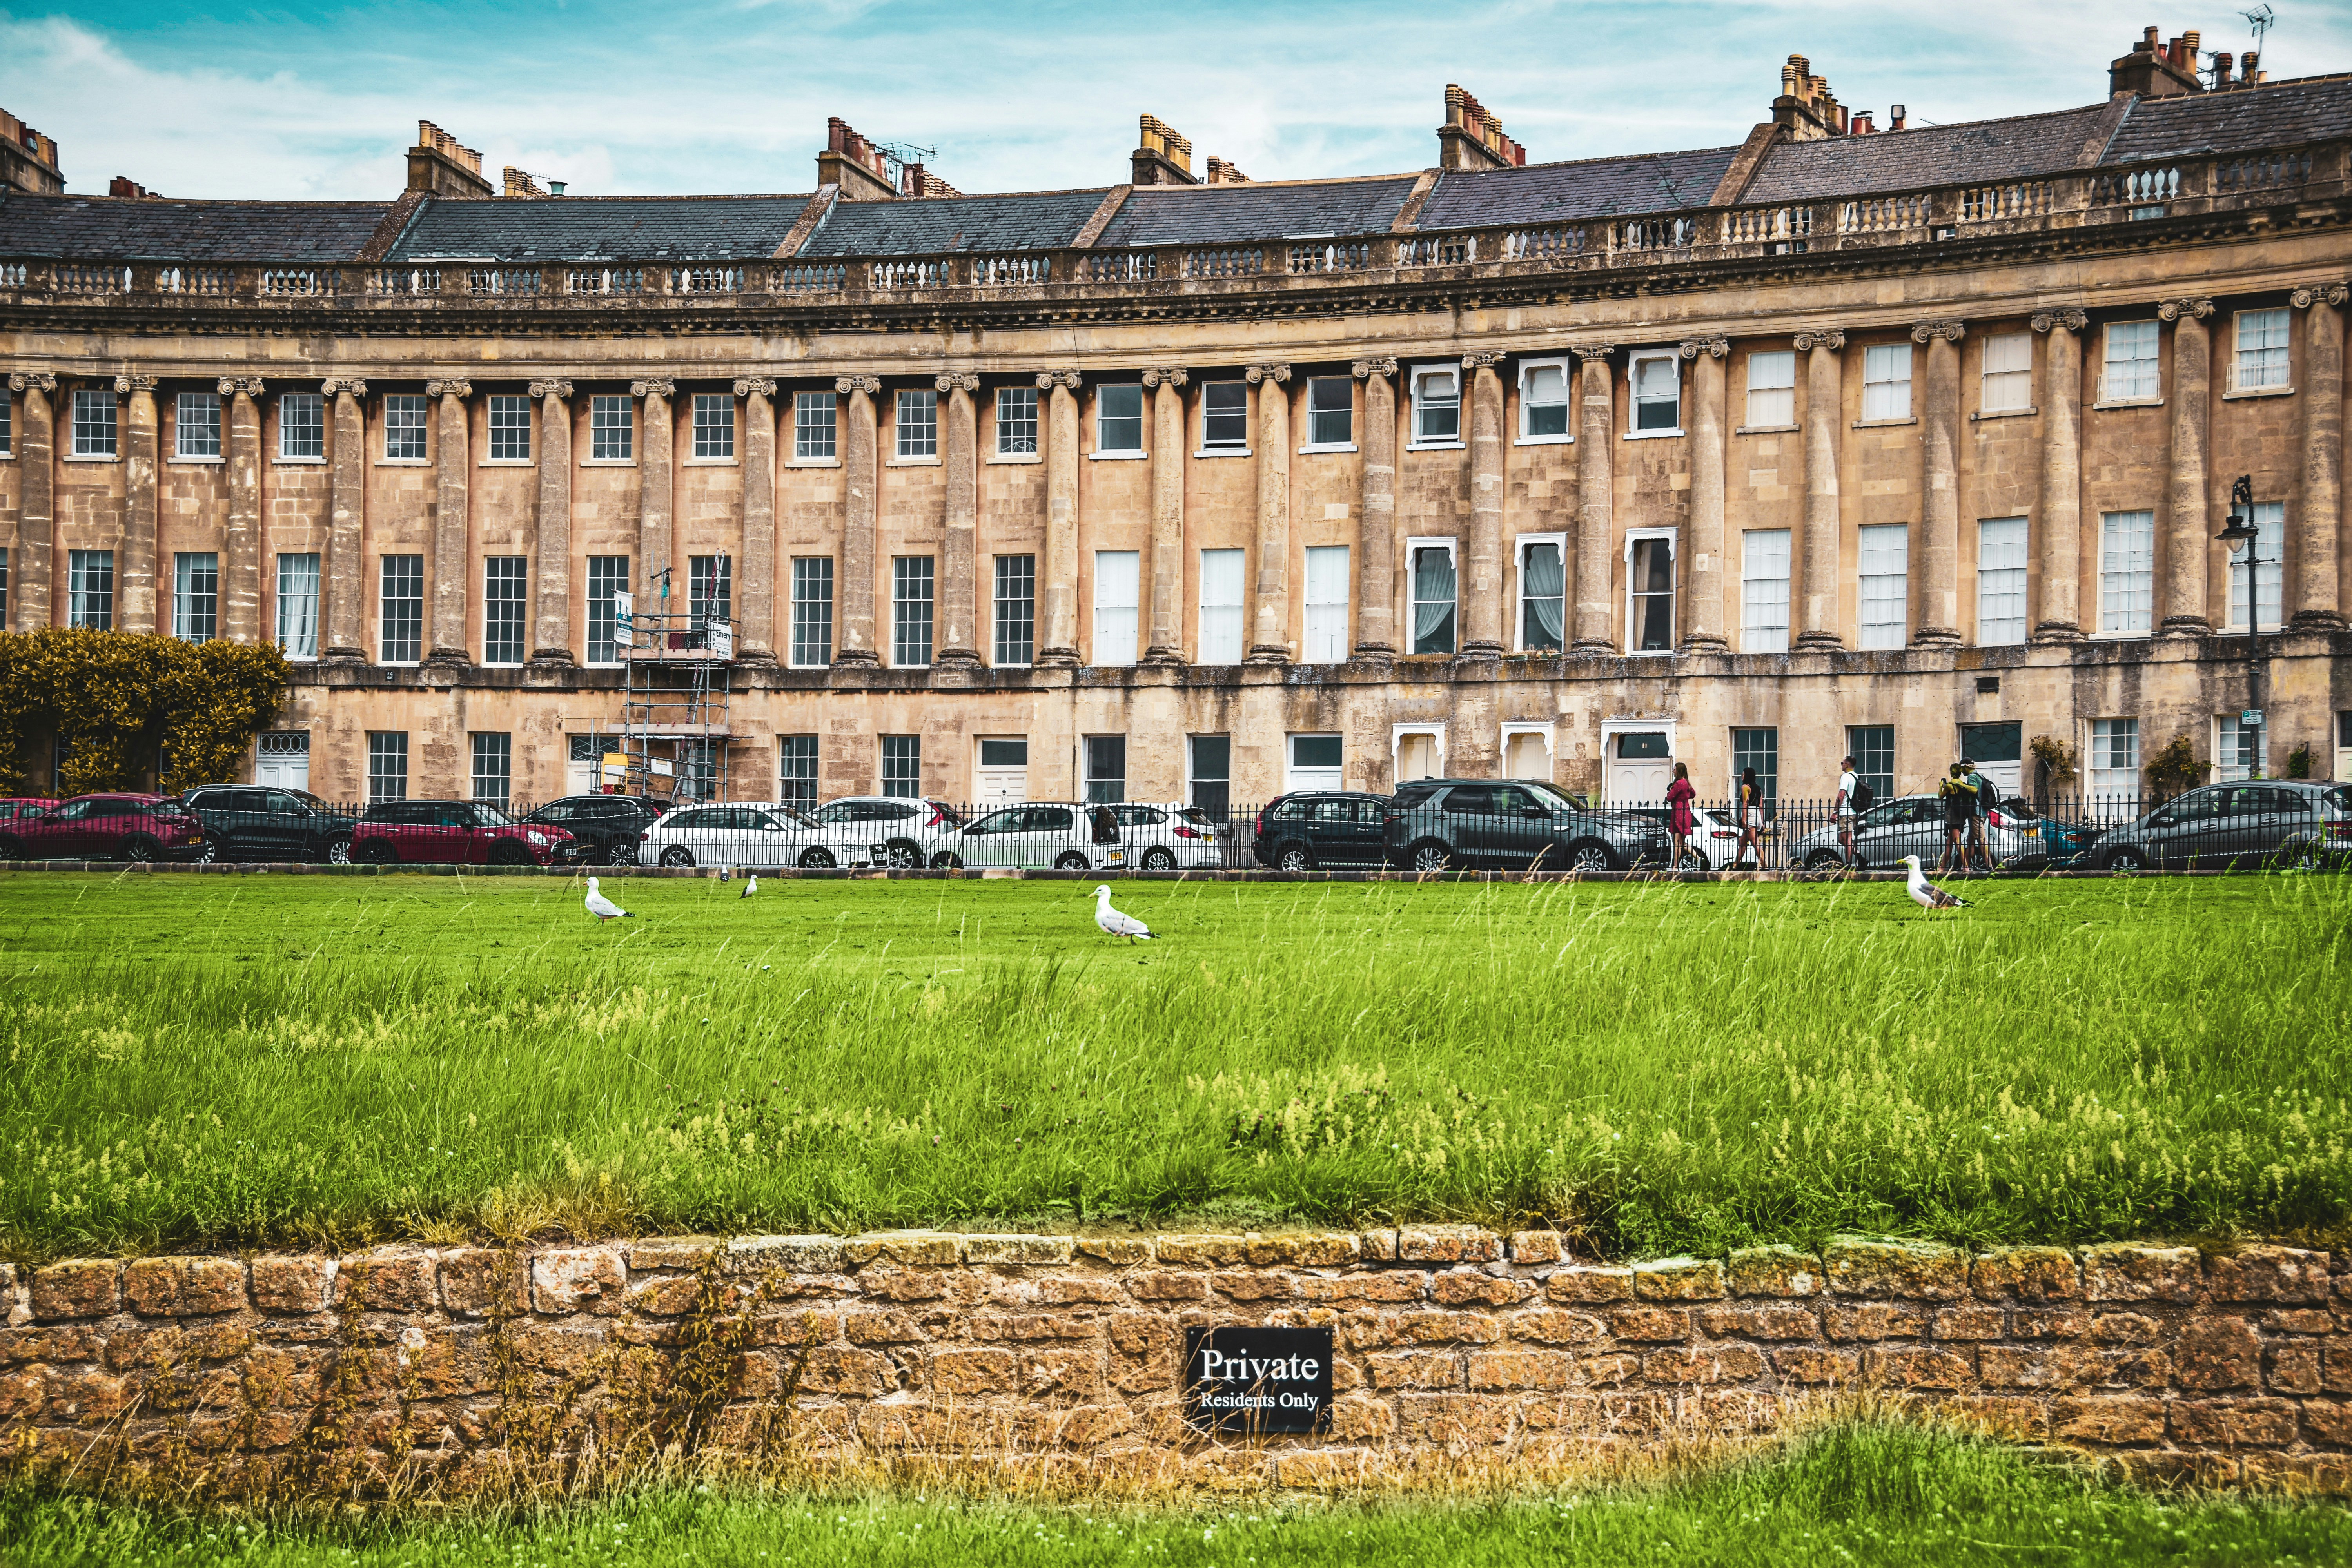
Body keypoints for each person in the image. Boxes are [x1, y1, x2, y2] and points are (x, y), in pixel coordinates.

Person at [1936, 762, 1976, 875]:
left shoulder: (1949, 786)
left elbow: (1940, 796)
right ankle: (1942, 868)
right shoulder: (1962, 784)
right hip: (1961, 815)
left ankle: (1966, 867)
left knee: (1957, 843)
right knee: (1950, 843)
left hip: (1952, 815)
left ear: (1952, 772)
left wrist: (1940, 786)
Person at [1666, 762, 1697, 872]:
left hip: (1679, 811)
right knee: (1682, 843)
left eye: (1674, 770)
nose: (1673, 771)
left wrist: (1671, 791)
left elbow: (1669, 798)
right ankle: (1698, 857)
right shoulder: (1687, 783)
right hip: (1686, 811)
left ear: (1679, 771)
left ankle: (1675, 867)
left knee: (1677, 843)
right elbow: (1693, 794)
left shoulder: (1679, 783)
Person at [1734, 767, 1764, 870]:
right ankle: (1735, 866)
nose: (1742, 776)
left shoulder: (1745, 787)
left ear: (1747, 775)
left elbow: (1745, 804)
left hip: (1750, 816)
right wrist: (1762, 823)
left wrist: (1744, 820)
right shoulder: (1759, 789)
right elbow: (1761, 807)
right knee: (1742, 842)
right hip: (1757, 817)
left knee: (1756, 843)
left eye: (1743, 774)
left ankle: (1765, 866)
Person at [1835, 755, 1859, 867]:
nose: (1841, 765)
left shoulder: (1845, 777)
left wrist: (1835, 812)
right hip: (1854, 812)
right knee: (1842, 839)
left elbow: (1841, 795)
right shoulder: (1856, 777)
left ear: (1847, 764)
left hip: (1846, 812)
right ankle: (1859, 857)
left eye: (1842, 763)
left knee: (1848, 840)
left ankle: (1849, 864)